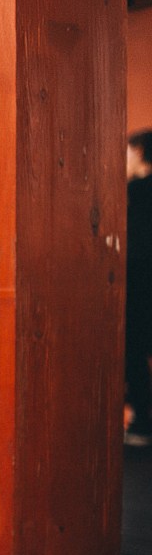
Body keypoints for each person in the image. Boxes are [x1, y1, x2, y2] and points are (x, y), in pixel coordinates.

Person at [126, 130, 152, 446]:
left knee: (132, 348)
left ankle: (143, 422)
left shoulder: (139, 192)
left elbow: (135, 250)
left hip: (139, 286)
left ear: (139, 151)